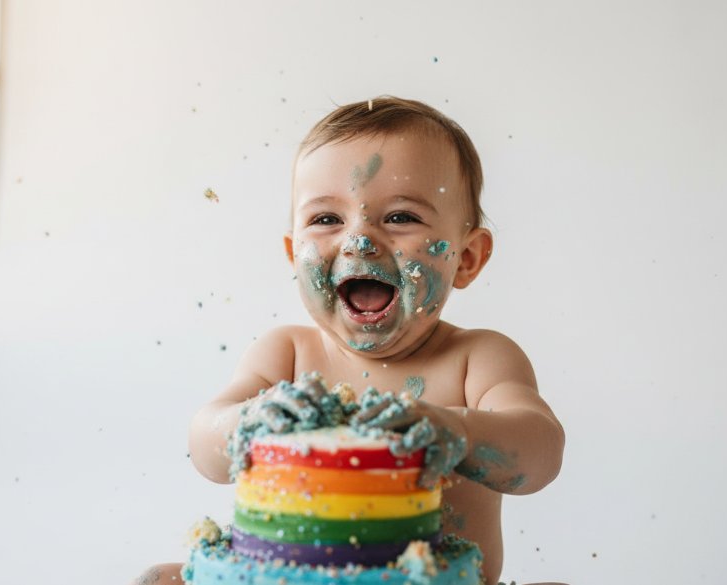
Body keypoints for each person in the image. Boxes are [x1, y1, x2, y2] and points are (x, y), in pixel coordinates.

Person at [133, 96, 565, 585]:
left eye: (401, 217)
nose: (359, 241)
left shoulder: (476, 359)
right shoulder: (287, 356)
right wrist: (248, 422)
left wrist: (452, 431)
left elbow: (540, 455)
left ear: (466, 258)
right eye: (326, 219)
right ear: (294, 255)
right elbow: (206, 450)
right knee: (162, 578)